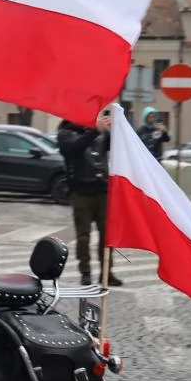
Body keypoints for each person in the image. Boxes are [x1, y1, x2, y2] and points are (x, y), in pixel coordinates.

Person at [57, 111, 121, 287]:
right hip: (81, 192)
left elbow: (115, 145)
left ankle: (107, 272)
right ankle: (85, 272)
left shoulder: (98, 132)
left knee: (107, 235)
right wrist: (95, 130)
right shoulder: (66, 133)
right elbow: (74, 150)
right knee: (83, 236)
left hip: (102, 190)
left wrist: (116, 128)